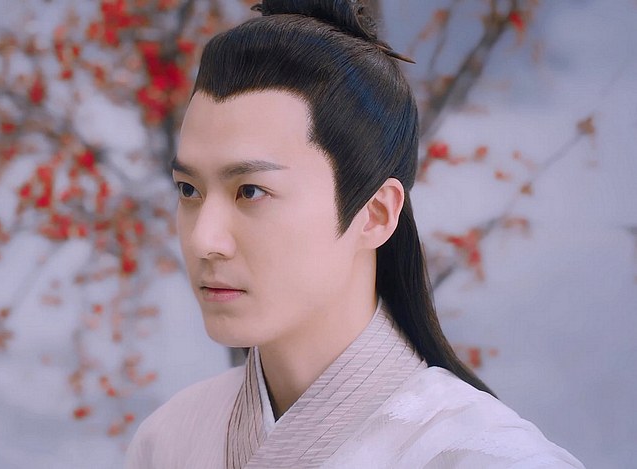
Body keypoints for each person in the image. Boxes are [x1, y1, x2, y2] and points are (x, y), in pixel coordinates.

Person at [125, 0, 585, 467]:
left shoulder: (484, 455)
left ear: (376, 214)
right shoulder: (167, 441)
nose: (204, 240)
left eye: (251, 191)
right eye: (189, 189)